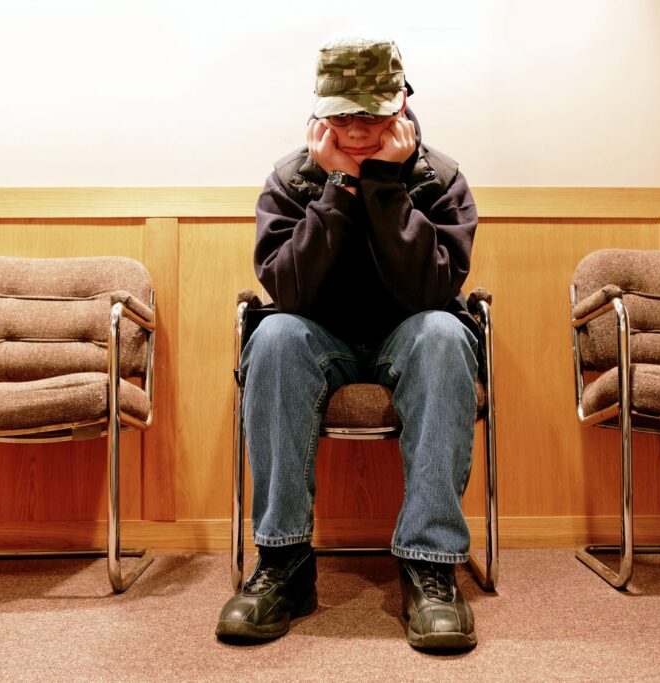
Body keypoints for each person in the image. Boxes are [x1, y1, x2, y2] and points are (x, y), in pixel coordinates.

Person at [215, 36, 481, 653]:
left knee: (444, 332)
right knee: (275, 334)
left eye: (371, 113)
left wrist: (385, 187)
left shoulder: (440, 179)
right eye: (342, 115)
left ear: (402, 105)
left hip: (409, 333)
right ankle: (284, 564)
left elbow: (430, 291)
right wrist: (337, 188)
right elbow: (288, 290)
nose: (357, 130)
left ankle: (430, 567)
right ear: (319, 115)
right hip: (319, 335)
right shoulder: (291, 178)